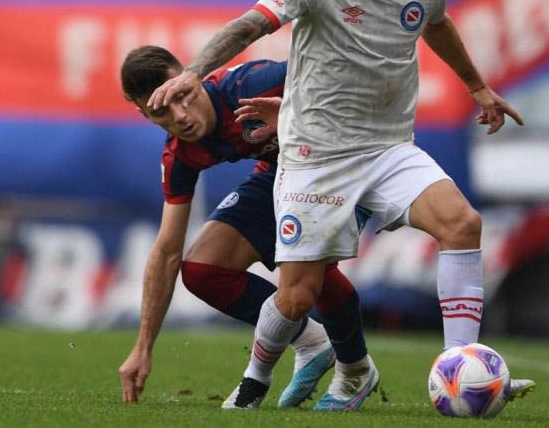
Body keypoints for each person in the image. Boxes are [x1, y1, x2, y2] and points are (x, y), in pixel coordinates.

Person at [149, 0, 535, 410]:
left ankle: (460, 369)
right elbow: (249, 26)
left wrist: (477, 86)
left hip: (387, 148)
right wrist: (195, 72)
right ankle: (254, 385)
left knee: (462, 223)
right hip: (314, 156)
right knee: (298, 293)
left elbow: (436, 22)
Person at [117, 45, 373, 408]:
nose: (180, 116)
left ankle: (354, 368)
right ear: (146, 114)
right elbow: (167, 249)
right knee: (204, 269)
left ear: (193, 77)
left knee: (305, 271)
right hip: (280, 176)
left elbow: (341, 73)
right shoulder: (181, 153)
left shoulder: (252, 84)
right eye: (161, 112)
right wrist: (142, 348)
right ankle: (311, 342)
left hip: (346, 168)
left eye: (181, 96)